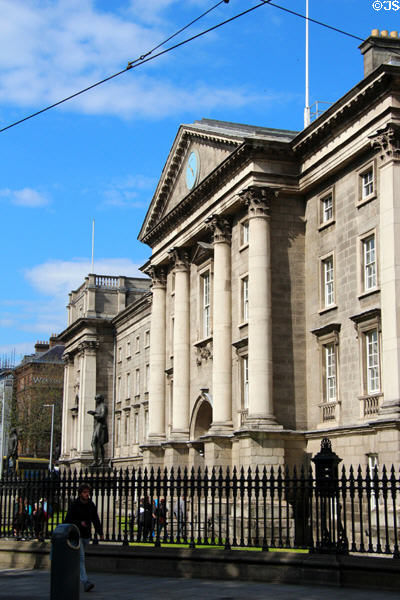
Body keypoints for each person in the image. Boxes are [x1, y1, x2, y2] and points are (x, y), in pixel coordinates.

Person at [64, 483, 104, 593]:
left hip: (86, 535)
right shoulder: (74, 505)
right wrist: (79, 523)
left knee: (77, 559)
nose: (87, 494)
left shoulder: (91, 504)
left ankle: (68, 576)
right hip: (76, 535)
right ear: (80, 493)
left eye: (88, 492)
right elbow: (67, 520)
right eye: (85, 492)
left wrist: (100, 532)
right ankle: (85, 581)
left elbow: (95, 518)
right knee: (81, 558)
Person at [87, 394, 108, 467]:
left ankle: (100, 461)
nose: (96, 400)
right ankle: (97, 461)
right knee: (94, 443)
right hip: (97, 426)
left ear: (101, 399)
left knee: (98, 443)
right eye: (96, 399)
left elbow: (103, 416)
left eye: (97, 399)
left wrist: (94, 414)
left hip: (101, 427)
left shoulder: (103, 406)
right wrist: (94, 413)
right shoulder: (98, 407)